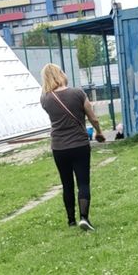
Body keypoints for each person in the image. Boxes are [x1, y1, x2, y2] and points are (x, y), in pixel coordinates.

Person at [39, 63, 105, 232]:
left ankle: (70, 221)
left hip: (59, 147)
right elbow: (93, 118)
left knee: (66, 184)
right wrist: (99, 132)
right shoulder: (77, 93)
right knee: (83, 182)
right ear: (60, 74)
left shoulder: (45, 99)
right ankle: (84, 218)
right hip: (79, 145)